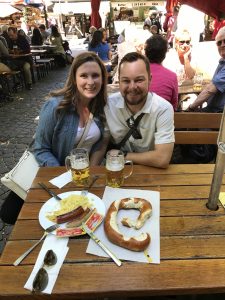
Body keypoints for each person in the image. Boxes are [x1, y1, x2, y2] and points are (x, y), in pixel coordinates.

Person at [34, 52, 109, 167]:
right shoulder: (55, 106)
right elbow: (41, 149)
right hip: (58, 177)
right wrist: (64, 176)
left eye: (95, 75)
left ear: (103, 79)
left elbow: (99, 146)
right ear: (74, 78)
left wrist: (91, 173)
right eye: (84, 76)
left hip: (84, 175)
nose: (90, 82)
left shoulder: (101, 106)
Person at [105, 52, 174, 168]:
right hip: (117, 171)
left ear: (150, 79)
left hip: (151, 172)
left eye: (139, 80)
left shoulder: (162, 109)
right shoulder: (108, 105)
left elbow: (162, 159)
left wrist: (123, 155)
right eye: (126, 81)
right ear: (119, 82)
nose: (132, 87)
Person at [187, 27, 225, 113]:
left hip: (219, 116)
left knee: (182, 121)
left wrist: (191, 108)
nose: (222, 45)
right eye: (219, 43)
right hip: (212, 110)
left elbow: (210, 90)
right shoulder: (222, 62)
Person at [145, 35, 178, 111]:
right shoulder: (172, 76)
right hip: (164, 117)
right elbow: (174, 106)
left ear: (146, 53)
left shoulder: (137, 73)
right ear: (164, 54)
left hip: (140, 119)